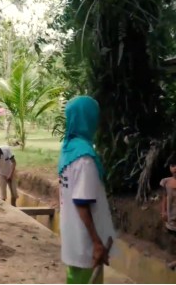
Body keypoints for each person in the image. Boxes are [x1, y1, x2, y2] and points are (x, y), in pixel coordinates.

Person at [58, 96, 115, 284]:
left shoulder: (68, 150)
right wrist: (97, 243)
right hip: (86, 240)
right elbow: (82, 203)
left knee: (74, 278)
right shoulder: (85, 159)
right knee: (84, 278)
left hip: (71, 232)